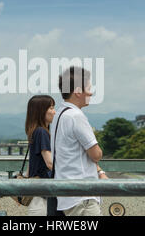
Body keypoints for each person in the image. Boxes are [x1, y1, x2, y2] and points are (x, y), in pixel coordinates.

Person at [49, 66, 108, 216]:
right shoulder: (76, 116)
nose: (91, 92)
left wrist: (99, 170)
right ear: (77, 91)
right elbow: (96, 155)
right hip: (83, 195)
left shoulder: (59, 115)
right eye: (88, 88)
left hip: (66, 194)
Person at [24, 95, 56, 216]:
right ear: (41, 111)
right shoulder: (42, 132)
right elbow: (50, 163)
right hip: (42, 191)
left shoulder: (35, 131)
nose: (54, 112)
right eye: (51, 108)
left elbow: (32, 162)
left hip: (36, 190)